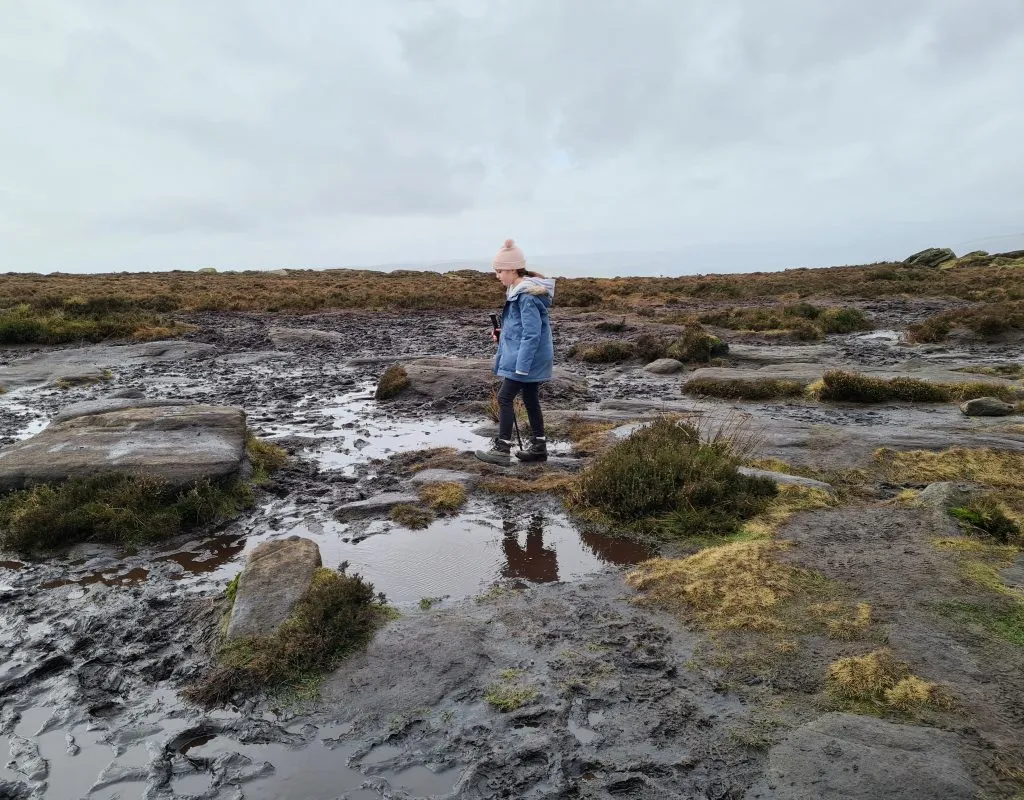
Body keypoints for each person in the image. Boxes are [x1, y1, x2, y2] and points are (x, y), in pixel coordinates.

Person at [475, 238, 555, 466]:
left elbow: (532, 335)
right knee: (530, 398)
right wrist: (503, 333)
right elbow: (522, 329)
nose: (497, 275)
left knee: (504, 397)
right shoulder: (518, 292)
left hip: (526, 359)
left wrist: (521, 366)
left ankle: (502, 450)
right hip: (528, 357)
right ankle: (539, 448)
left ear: (511, 269)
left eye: (499, 271)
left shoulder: (526, 296)